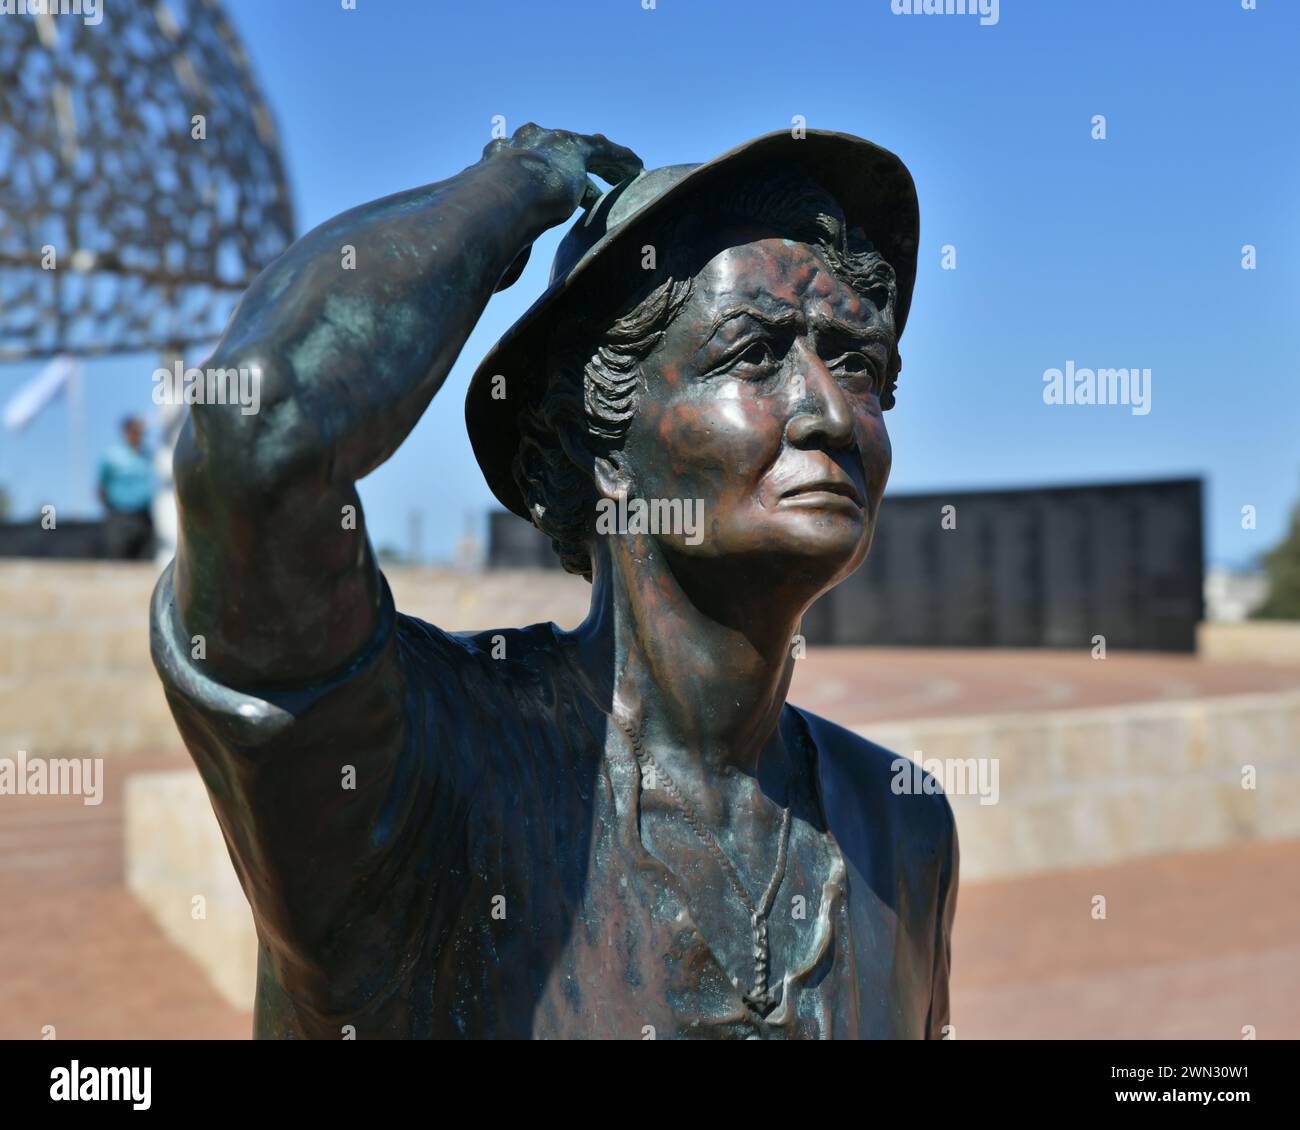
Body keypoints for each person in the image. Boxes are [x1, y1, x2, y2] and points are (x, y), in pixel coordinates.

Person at [150, 125, 958, 1039]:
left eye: (856, 363)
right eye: (753, 353)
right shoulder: (429, 771)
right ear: (601, 447)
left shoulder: (901, 824)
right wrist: (516, 186)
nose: (827, 412)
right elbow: (260, 432)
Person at [97, 415, 154, 560]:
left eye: (140, 432)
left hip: (144, 518)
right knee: (119, 562)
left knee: (145, 563)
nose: (138, 435)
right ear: (125, 432)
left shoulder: (148, 455)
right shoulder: (111, 456)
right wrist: (112, 511)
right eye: (134, 431)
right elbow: (101, 487)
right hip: (119, 517)